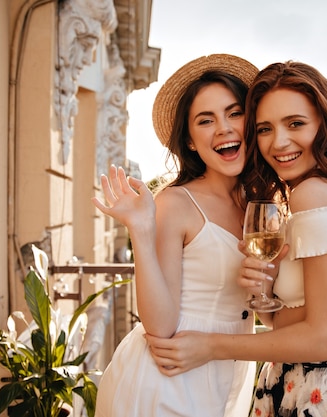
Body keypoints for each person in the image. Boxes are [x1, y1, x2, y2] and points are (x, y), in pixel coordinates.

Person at [145, 61, 327, 417]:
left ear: (325, 123)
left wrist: (210, 346)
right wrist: (267, 292)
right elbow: (306, 314)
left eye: (296, 124)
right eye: (264, 128)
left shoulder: (314, 195)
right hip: (295, 385)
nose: (279, 142)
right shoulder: (311, 193)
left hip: (318, 394)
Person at [91, 54, 260, 417]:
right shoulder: (177, 202)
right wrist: (141, 229)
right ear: (191, 141)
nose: (224, 128)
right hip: (169, 377)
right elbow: (161, 325)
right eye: (206, 120)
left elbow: (283, 296)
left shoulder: (260, 204)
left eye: (234, 113)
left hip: (229, 371)